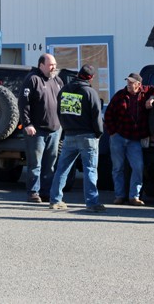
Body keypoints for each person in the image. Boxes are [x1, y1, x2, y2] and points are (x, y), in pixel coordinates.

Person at [104, 73, 154, 206]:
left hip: (135, 139)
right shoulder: (119, 95)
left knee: (138, 167)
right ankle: (119, 196)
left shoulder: (146, 92)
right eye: (128, 81)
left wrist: (152, 97)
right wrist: (113, 132)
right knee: (118, 168)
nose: (128, 84)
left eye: (132, 82)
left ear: (139, 84)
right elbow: (108, 114)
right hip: (119, 137)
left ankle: (134, 196)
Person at [49, 64, 106, 212]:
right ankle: (92, 203)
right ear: (91, 77)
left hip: (69, 135)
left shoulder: (64, 90)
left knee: (62, 168)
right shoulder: (90, 92)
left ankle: (55, 200)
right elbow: (96, 116)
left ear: (78, 74)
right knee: (90, 170)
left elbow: (59, 112)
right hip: (88, 136)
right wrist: (99, 133)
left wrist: (66, 128)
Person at [19, 53, 63, 203]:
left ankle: (46, 192)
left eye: (55, 64)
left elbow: (64, 103)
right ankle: (33, 192)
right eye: (51, 65)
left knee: (50, 164)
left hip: (55, 130)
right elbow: (24, 103)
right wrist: (28, 124)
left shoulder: (57, 80)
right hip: (37, 130)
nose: (54, 67)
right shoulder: (33, 79)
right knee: (35, 163)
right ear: (41, 65)